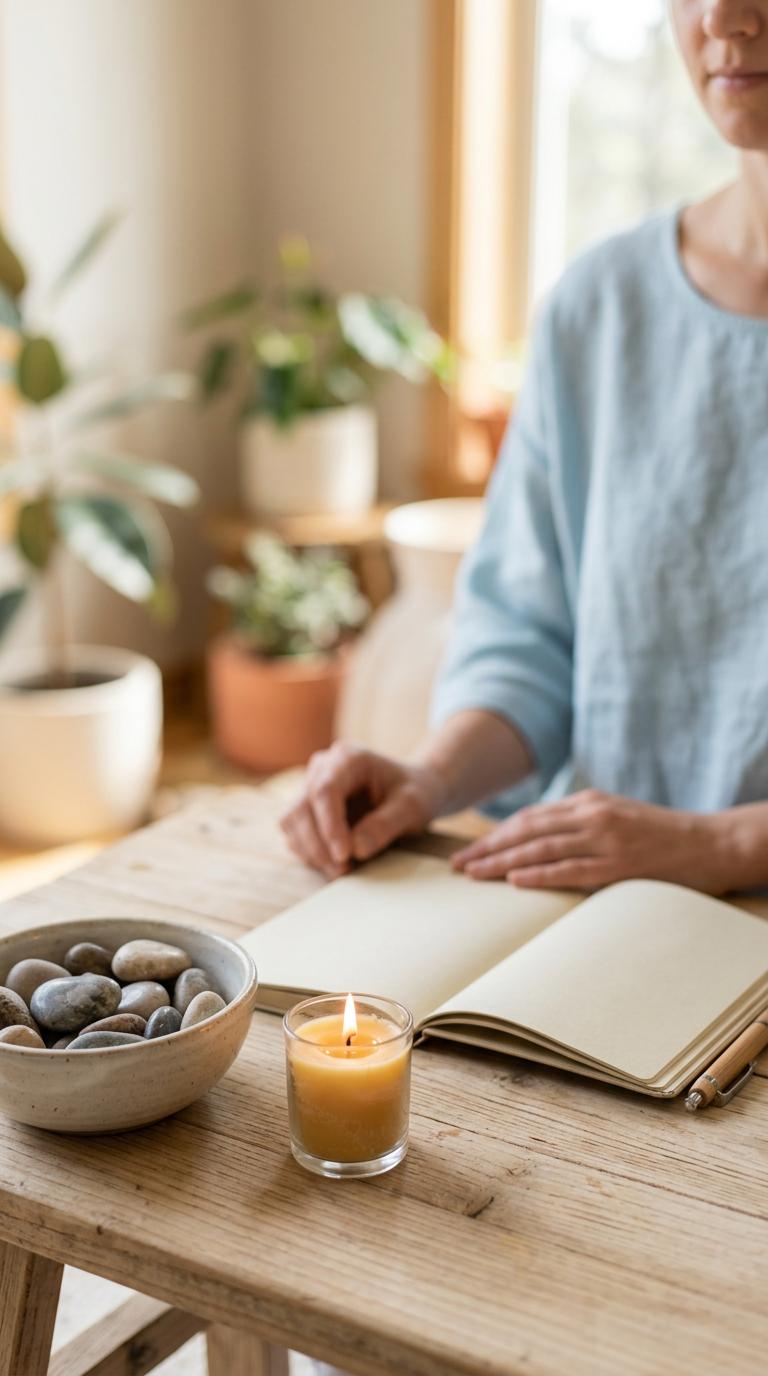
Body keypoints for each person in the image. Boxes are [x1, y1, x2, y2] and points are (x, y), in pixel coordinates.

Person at [282, 0, 768, 897]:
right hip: (587, 917)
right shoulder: (600, 306)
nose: (726, 18)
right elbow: (526, 638)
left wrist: (726, 845)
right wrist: (427, 778)